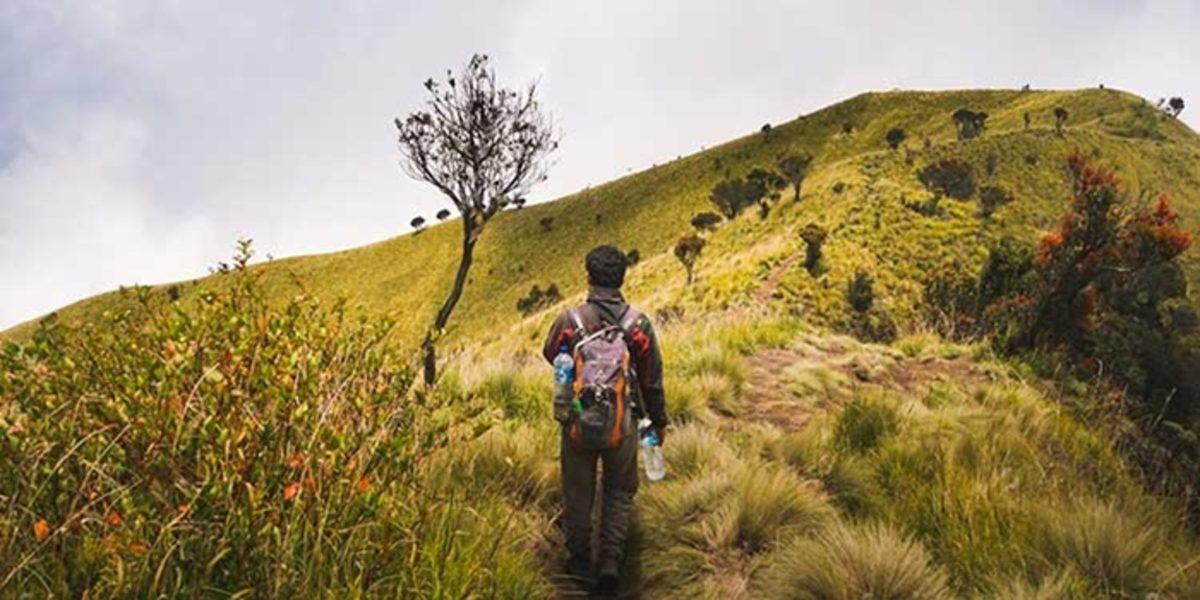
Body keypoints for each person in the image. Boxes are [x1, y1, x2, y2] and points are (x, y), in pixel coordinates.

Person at [542, 245, 668, 593]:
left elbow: (551, 353)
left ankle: (580, 562)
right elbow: (652, 379)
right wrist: (658, 421)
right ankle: (611, 562)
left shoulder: (570, 321)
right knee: (619, 489)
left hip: (578, 417)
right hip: (623, 420)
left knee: (577, 490)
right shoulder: (637, 324)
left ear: (588, 276)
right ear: (622, 278)